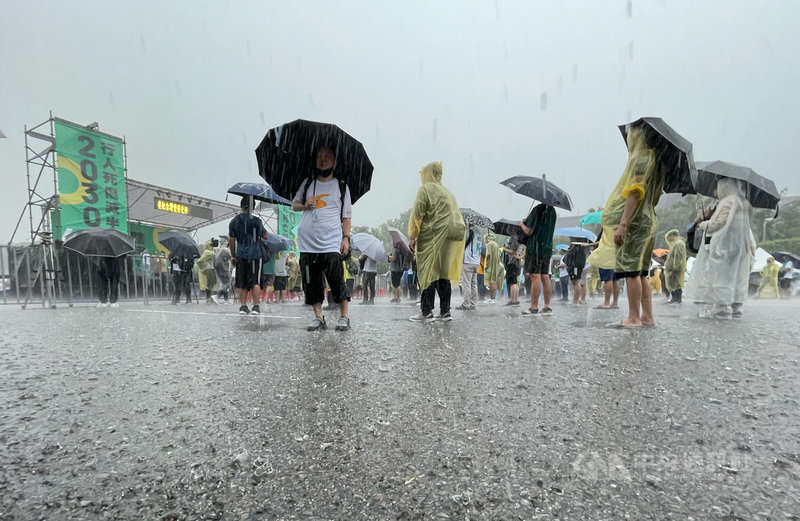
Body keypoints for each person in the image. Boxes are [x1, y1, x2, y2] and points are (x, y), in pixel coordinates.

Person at [587, 123, 665, 327]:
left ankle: (633, 317)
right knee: (641, 272)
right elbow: (654, 197)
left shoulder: (640, 158)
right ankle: (647, 316)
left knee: (631, 271)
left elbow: (634, 191)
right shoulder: (657, 160)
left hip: (634, 222)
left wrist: (623, 223)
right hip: (649, 220)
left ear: (638, 135)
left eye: (631, 133)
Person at [292, 145, 352, 332]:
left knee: (336, 279)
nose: (323, 159)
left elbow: (347, 216)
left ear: (334, 161)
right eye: (320, 156)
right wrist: (305, 204)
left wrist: (346, 238)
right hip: (307, 243)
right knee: (311, 281)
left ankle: (344, 317)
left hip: (331, 241)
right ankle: (319, 317)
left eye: (327, 156)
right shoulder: (308, 183)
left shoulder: (342, 186)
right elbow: (294, 205)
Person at [685, 178, 756, 319]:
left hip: (723, 246)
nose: (717, 190)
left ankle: (722, 308)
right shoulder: (742, 202)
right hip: (738, 245)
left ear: (726, 186)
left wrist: (704, 224)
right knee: (735, 275)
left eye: (719, 186)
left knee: (720, 276)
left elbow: (718, 223)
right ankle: (736, 305)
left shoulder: (729, 201)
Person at [408, 161, 465, 322]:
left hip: (430, 236)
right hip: (448, 238)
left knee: (427, 272)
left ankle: (426, 312)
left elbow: (417, 214)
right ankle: (445, 311)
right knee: (443, 273)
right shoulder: (448, 193)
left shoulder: (425, 190)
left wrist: (413, 235)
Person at [229, 195, 269, 315]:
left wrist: (233, 256)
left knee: (242, 282)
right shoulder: (257, 221)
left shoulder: (234, 221)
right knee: (255, 282)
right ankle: (256, 307)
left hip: (241, 255)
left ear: (241, 206)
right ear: (253, 207)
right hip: (255, 255)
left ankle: (243, 306)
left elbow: (231, 241)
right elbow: (265, 236)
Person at [520, 203, 557, 315]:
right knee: (545, 276)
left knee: (535, 276)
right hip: (547, 247)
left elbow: (528, 231)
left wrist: (522, 223)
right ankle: (546, 306)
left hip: (535, 247)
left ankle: (533, 307)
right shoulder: (552, 211)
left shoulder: (538, 209)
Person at [456, 224, 481, 310]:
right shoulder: (479, 233)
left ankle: (466, 304)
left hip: (468, 261)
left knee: (466, 284)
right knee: (474, 284)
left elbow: (463, 243)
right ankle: (473, 303)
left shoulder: (470, 231)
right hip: (476, 261)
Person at [663, 229, 687, 304]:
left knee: (676, 283)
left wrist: (676, 265)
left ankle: (677, 299)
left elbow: (678, 256)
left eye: (669, 237)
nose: (668, 239)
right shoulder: (676, 243)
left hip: (675, 268)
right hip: (672, 268)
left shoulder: (678, 243)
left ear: (673, 235)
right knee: (673, 283)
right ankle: (674, 298)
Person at [500, 233, 524, 306]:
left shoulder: (514, 238)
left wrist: (504, 248)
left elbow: (514, 251)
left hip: (512, 262)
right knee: (515, 282)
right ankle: (515, 299)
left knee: (512, 282)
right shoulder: (520, 238)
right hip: (516, 262)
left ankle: (513, 300)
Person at [195, 239, 220, 304]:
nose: (212, 246)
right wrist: (204, 265)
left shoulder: (210, 251)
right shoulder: (207, 252)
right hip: (208, 269)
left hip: (211, 268)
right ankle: (208, 298)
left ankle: (210, 298)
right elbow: (200, 260)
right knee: (209, 284)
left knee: (213, 284)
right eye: (210, 245)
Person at [483, 233, 505, 304]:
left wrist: (486, 265)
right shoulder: (496, 244)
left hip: (492, 266)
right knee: (495, 281)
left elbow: (488, 255)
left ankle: (492, 299)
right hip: (499, 264)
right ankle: (494, 298)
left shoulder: (489, 244)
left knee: (491, 281)